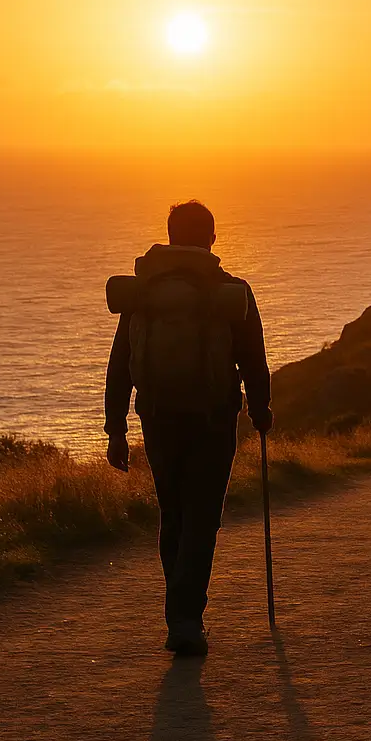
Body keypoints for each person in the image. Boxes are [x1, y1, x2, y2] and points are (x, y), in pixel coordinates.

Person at [104, 200, 273, 657]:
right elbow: (253, 359)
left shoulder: (144, 293)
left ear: (171, 236)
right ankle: (185, 618)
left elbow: (121, 360)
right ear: (212, 239)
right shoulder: (230, 290)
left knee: (173, 513)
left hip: (156, 416)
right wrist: (261, 410)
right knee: (202, 518)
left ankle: (179, 613)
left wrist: (114, 427)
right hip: (213, 418)